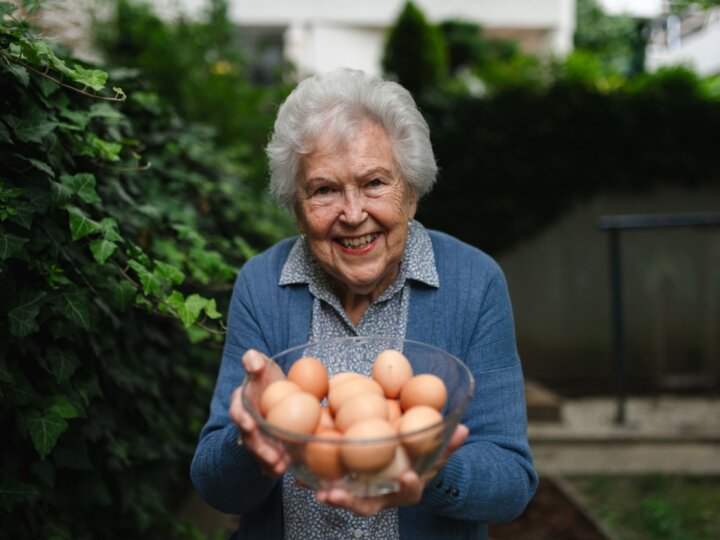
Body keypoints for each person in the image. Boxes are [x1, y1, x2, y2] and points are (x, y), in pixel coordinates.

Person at [191, 68, 538, 539]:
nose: (353, 215)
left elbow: (511, 482)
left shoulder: (473, 283)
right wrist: (254, 436)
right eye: (325, 190)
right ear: (296, 206)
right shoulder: (262, 283)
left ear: (411, 193)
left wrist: (429, 468)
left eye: (374, 182)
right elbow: (216, 487)